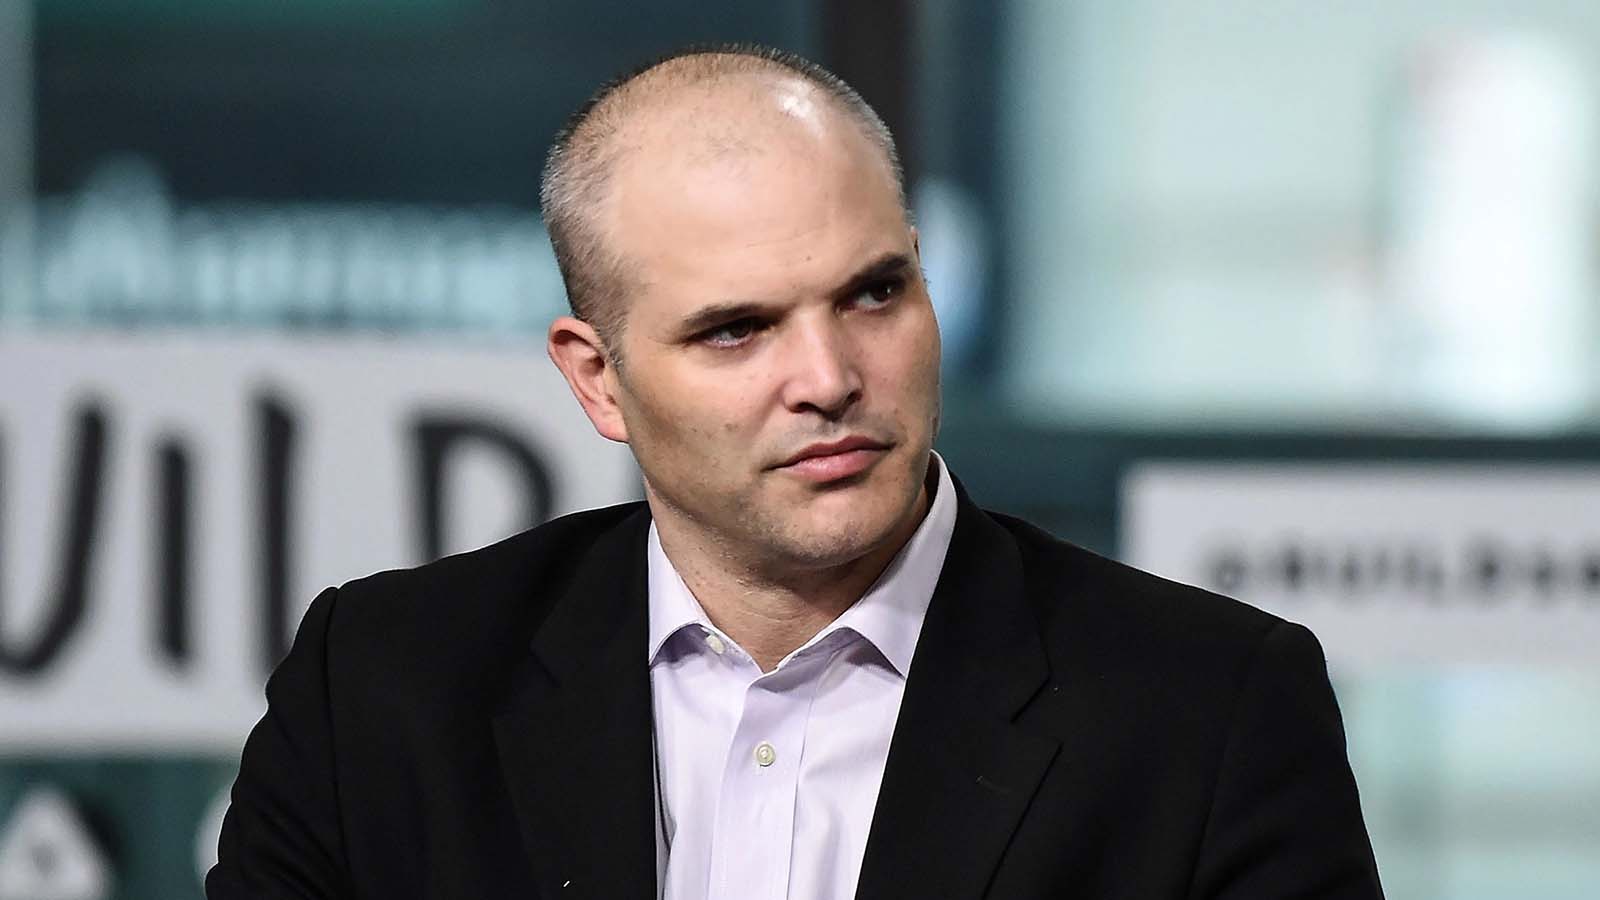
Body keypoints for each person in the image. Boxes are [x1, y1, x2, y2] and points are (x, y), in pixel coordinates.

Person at [206, 45, 1384, 900]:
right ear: (598, 380)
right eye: (736, 329)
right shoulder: (385, 689)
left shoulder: (1209, 710)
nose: (828, 377)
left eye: (873, 294)